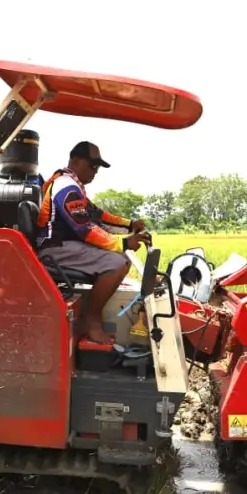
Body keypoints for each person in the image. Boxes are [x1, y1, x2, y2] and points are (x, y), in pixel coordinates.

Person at [36, 141, 149, 344]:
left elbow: (99, 217)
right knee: (116, 263)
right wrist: (123, 243)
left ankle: (90, 316)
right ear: (76, 161)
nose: (95, 172)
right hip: (55, 249)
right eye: (93, 166)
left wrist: (130, 225)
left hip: (67, 247)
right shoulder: (66, 186)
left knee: (122, 260)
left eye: (98, 168)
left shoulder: (73, 186)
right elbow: (84, 227)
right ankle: (91, 319)